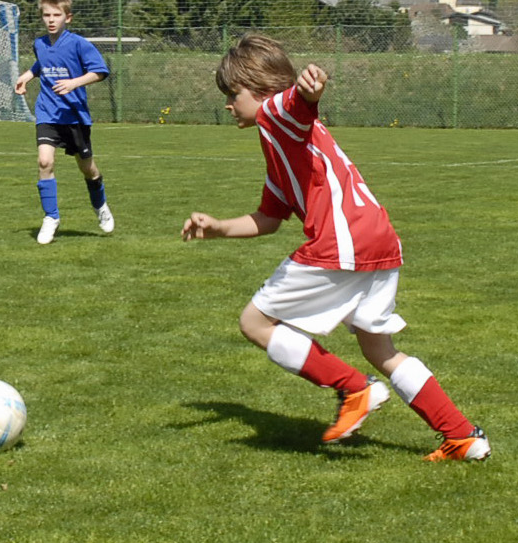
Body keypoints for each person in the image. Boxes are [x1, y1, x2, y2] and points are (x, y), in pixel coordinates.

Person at [180, 34, 490, 456]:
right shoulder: (282, 147)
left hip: (343, 242)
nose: (228, 105)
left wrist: (308, 90)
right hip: (378, 239)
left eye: (233, 94)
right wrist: (218, 227)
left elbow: (296, 103)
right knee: (379, 349)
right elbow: (269, 218)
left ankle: (354, 389)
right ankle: (461, 435)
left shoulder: (276, 115)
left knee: (255, 323)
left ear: (260, 89)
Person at [12, 0, 114, 245]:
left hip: (75, 116)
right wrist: (28, 75)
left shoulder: (79, 44)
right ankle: (51, 217)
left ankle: (100, 205)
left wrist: (73, 83)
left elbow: (100, 71)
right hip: (48, 112)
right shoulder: (39, 43)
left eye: (56, 15)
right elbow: (42, 63)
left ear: (68, 18)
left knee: (88, 169)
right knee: (44, 161)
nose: (51, 20)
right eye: (46, 15)